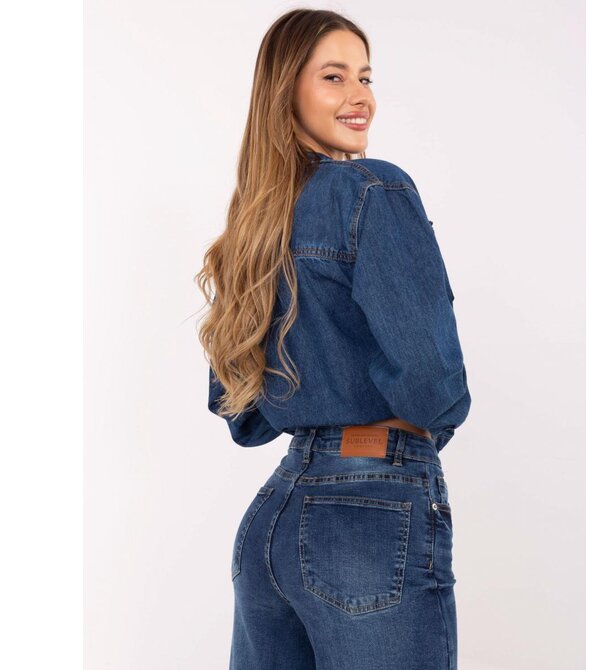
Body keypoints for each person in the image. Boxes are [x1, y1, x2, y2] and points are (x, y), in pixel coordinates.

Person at [195, 9, 471, 670]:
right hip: (370, 518)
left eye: (365, 77)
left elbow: (241, 412)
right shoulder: (373, 189)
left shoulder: (255, 226)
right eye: (334, 76)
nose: (360, 96)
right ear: (285, 89)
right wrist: (411, 439)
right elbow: (432, 381)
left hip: (275, 518)